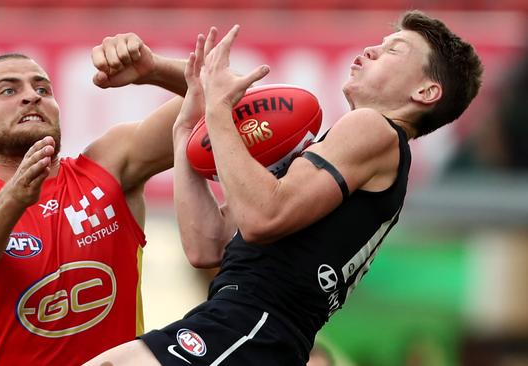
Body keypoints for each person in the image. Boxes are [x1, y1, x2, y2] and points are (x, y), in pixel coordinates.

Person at [85, 10, 482, 366]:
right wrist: (185, 130)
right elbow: (206, 244)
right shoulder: (339, 158)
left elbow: (263, 216)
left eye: (394, 50)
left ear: (426, 92)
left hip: (250, 329)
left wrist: (218, 110)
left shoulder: (373, 128)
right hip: (247, 331)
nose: (372, 50)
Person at [0, 33, 190, 365]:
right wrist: (15, 198)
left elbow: (238, 98)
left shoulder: (108, 165)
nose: (31, 97)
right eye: (9, 90)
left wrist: (154, 69)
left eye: (42, 89)